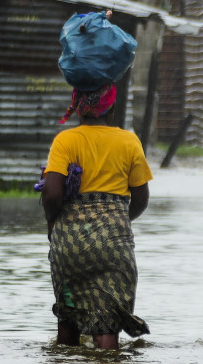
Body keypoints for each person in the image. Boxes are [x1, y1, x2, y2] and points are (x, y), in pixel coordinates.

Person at [41, 83, 153, 350]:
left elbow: (52, 195)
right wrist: (118, 222)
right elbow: (141, 199)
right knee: (107, 327)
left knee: (68, 324)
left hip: (68, 244)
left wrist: (52, 224)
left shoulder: (65, 141)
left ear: (77, 108)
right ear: (112, 108)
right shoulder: (129, 141)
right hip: (112, 242)